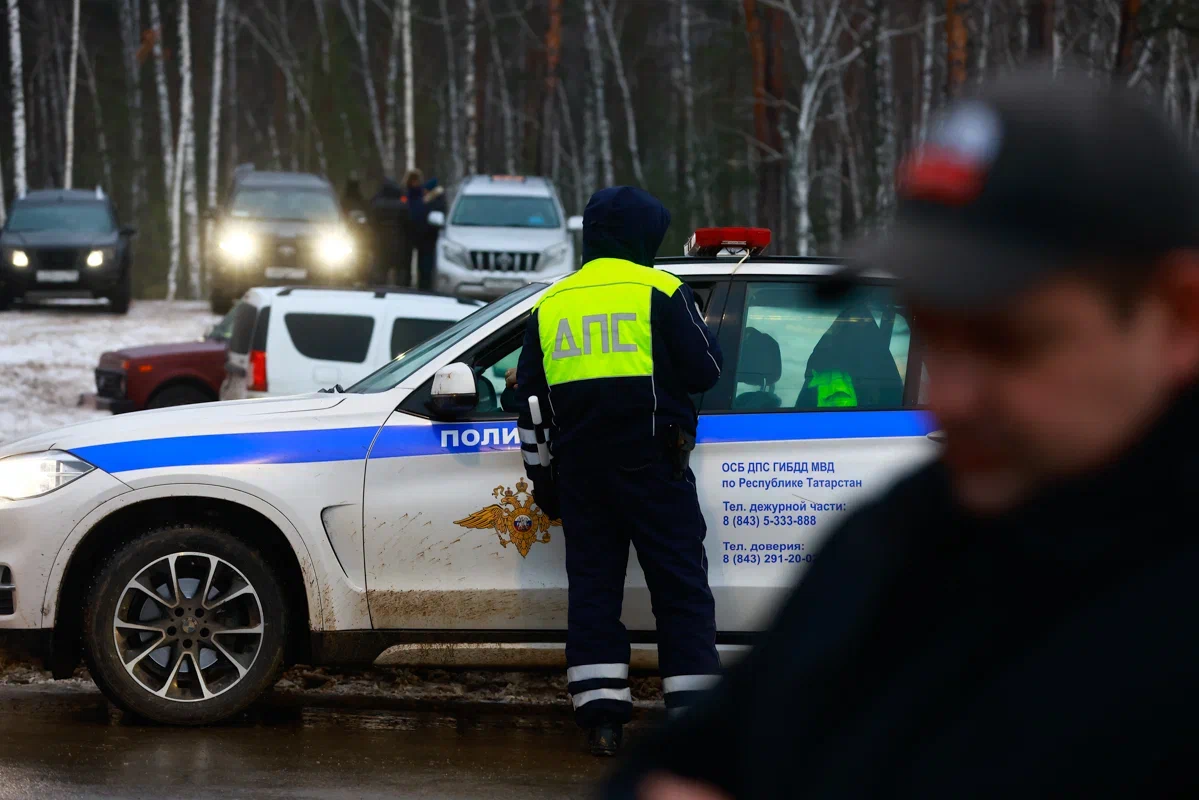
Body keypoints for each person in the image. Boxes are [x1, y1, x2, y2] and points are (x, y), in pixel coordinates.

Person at [604, 67, 1199, 798]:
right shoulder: (898, 539)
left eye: (1006, 342)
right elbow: (696, 756)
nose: (945, 397)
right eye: (928, 334)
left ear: (1179, 316)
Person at [515, 186, 723, 757]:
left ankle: (602, 720)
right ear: (643, 238)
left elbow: (530, 405)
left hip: (582, 472)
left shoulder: (553, 302)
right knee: (679, 590)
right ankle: (694, 722)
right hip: (654, 465)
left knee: (593, 593)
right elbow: (706, 369)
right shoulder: (661, 290)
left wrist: (544, 481)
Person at [404, 169, 444, 291]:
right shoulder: (410, 196)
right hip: (413, 235)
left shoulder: (424, 198)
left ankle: (423, 287)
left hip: (425, 236)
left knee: (425, 267)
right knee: (409, 265)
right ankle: (411, 285)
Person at [369, 177, 410, 286]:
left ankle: (380, 286)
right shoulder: (402, 203)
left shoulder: (377, 203)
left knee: (381, 269)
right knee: (399, 269)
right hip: (398, 241)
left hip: (381, 241)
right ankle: (400, 286)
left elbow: (371, 221)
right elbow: (408, 221)